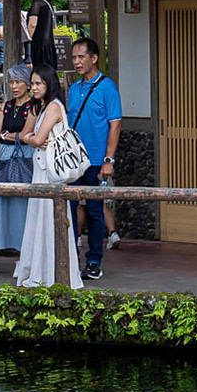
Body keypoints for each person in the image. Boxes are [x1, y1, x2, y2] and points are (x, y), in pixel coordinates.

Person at [14, 67, 81, 288]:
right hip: (41, 168)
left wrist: (32, 138)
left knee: (50, 219)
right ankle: (39, 270)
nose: (33, 88)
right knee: (38, 219)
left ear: (49, 84)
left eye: (38, 84)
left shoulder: (53, 107)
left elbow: (38, 137)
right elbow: (26, 135)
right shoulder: (40, 107)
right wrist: (32, 139)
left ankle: (53, 273)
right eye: (32, 83)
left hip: (50, 170)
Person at [65, 37, 122, 281]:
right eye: (74, 57)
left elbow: (115, 124)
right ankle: (68, 257)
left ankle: (94, 261)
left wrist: (109, 159)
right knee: (67, 208)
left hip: (97, 160)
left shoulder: (107, 87)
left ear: (94, 58)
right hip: (72, 160)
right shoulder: (74, 88)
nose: (76, 62)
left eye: (81, 57)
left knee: (96, 211)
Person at [0, 64, 38, 277]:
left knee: (21, 206)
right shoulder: (7, 106)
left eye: (18, 82)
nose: (14, 86)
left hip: (24, 157)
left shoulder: (34, 106)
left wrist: (7, 135)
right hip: (3, 156)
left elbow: (26, 134)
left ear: (28, 84)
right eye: (11, 82)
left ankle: (22, 258)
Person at [23, 0, 57, 72]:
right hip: (48, 42)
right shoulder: (47, 3)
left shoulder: (37, 4)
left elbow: (32, 24)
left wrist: (28, 37)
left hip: (39, 43)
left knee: (39, 69)